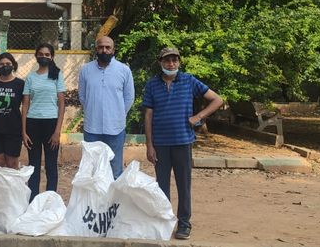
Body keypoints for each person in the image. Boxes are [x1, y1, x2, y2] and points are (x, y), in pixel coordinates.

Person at [143, 47, 223, 240]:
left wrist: (198, 116)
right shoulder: (152, 84)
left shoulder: (188, 80)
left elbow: (217, 100)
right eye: (167, 61)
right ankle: (164, 222)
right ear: (160, 62)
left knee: (183, 185)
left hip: (183, 141)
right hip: (160, 144)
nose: (171, 64)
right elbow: (148, 115)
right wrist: (149, 145)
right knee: (161, 186)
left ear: (178, 62)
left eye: (174, 60)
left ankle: (184, 224)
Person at [78, 36, 134, 178]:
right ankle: (96, 201)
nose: (104, 50)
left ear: (113, 50)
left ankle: (113, 201)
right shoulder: (85, 70)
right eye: (101, 47)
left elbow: (129, 98)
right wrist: (93, 112)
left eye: (108, 47)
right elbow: (83, 97)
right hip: (92, 128)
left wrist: (118, 115)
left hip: (116, 128)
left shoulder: (124, 70)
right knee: (93, 171)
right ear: (96, 49)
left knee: (115, 170)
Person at [22, 43, 66, 201]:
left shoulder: (57, 75)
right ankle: (33, 200)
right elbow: (25, 105)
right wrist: (24, 131)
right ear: (36, 56)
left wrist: (57, 131)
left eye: (47, 54)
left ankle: (50, 200)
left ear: (52, 57)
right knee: (33, 165)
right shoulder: (30, 78)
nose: (44, 57)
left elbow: (61, 104)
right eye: (40, 54)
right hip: (33, 124)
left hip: (51, 124)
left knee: (51, 165)